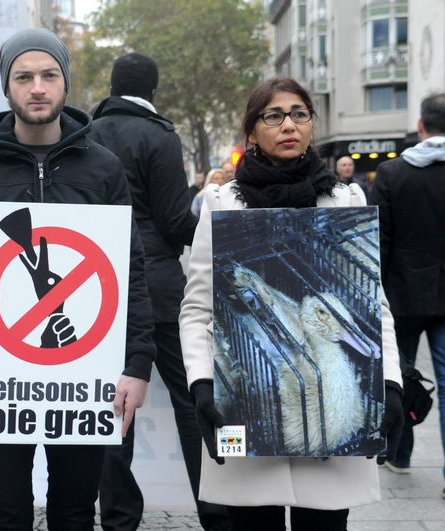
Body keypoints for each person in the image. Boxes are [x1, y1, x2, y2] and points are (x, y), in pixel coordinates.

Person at [0, 28, 156, 530]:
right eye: (24, 76)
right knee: (6, 515)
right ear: (7, 87)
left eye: (49, 75)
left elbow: (128, 270)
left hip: (86, 374)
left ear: (65, 83)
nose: (37, 87)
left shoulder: (104, 168)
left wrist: (138, 363)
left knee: (74, 514)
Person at [179, 77, 404, 531]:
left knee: (324, 524)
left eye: (299, 114)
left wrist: (393, 384)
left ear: (311, 125)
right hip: (251, 411)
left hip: (328, 435)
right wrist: (203, 384)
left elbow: (372, 306)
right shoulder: (221, 203)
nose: (289, 125)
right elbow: (199, 308)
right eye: (274, 115)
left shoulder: (346, 199)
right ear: (252, 130)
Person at [87, 52, 228, 531]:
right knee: (194, 400)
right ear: (153, 90)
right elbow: (172, 219)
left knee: (111, 405)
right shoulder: (160, 136)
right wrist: (214, 236)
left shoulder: (84, 134)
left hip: (98, 289)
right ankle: (218, 510)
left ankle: (120, 519)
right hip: (159, 288)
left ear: (111, 86)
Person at [369, 92, 445, 494]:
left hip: (402, 293)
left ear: (421, 126)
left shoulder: (393, 173)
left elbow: (378, 242)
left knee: (400, 377)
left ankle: (399, 453)